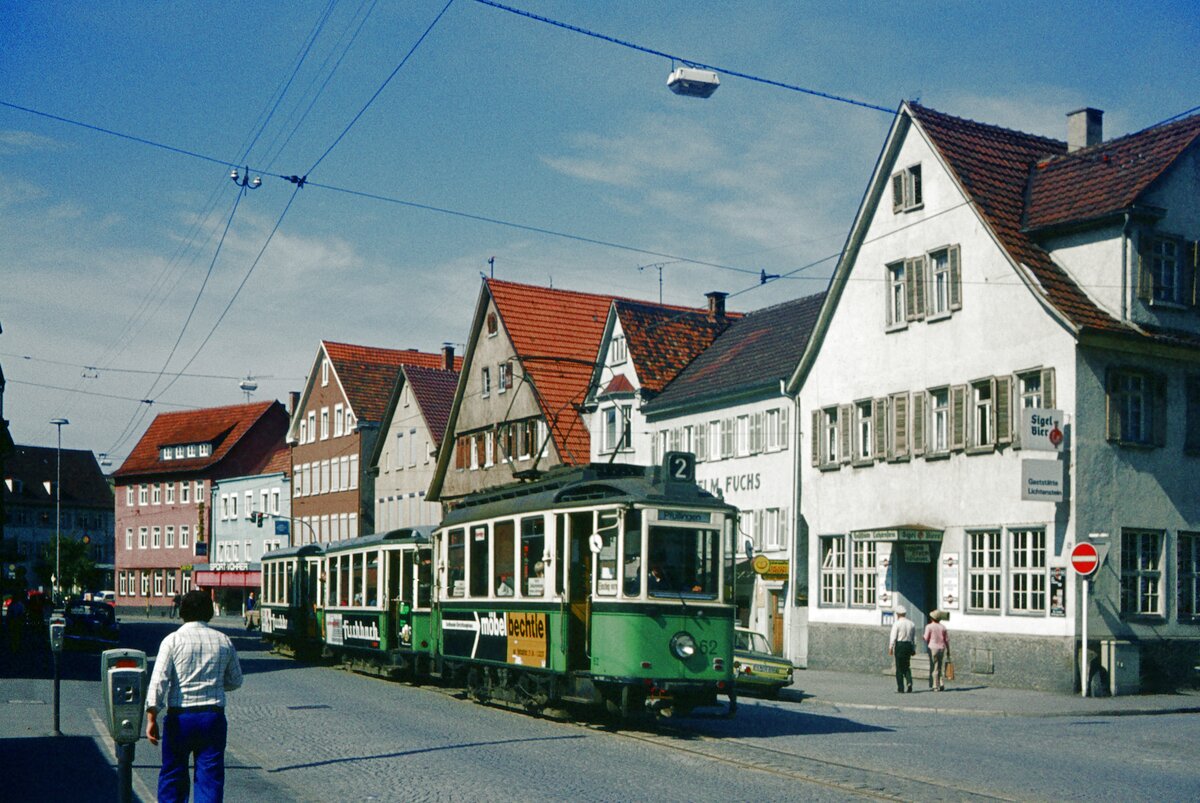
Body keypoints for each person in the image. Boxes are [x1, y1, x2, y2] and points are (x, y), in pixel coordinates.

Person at [145, 590, 243, 803]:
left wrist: (151, 717)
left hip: (180, 717)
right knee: (210, 778)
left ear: (182, 612)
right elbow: (236, 680)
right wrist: (214, 685)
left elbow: (158, 681)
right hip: (212, 717)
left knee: (173, 774)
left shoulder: (172, 641)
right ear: (209, 612)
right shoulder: (223, 641)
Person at [887, 606, 917, 693]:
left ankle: (901, 688)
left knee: (899, 667)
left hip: (900, 645)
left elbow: (893, 636)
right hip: (908, 645)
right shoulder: (911, 623)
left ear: (898, 614)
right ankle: (909, 682)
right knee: (907, 666)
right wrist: (913, 648)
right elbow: (914, 637)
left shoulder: (897, 624)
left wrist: (891, 647)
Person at [923, 610, 950, 691]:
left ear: (932, 618)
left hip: (933, 647)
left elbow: (926, 637)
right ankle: (941, 683)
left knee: (934, 666)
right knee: (939, 666)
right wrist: (948, 650)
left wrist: (923, 637)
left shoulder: (929, 626)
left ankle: (935, 685)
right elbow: (946, 640)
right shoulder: (943, 627)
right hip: (941, 647)